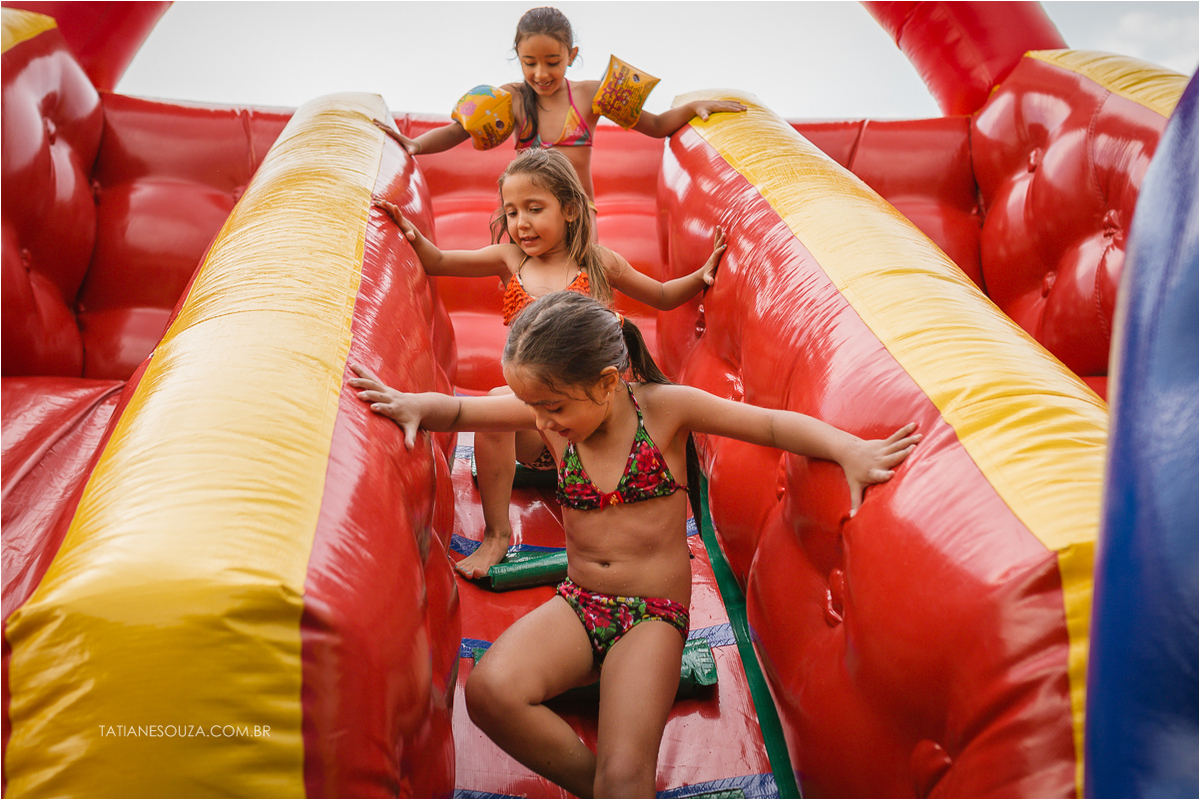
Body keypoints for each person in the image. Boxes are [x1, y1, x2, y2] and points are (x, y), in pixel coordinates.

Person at [348, 291, 920, 798]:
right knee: (490, 692)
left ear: (606, 382)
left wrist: (849, 450)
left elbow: (768, 425)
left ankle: (618, 787)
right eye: (534, 407)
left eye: (552, 408)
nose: (541, 423)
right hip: (581, 603)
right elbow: (462, 409)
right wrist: (414, 406)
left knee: (626, 775)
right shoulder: (558, 415)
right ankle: (604, 788)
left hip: (652, 616)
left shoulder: (664, 412)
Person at [375, 147, 726, 579]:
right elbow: (440, 262)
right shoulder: (511, 260)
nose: (521, 223)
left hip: (596, 423)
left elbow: (663, 295)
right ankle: (497, 534)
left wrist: (703, 275)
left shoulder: (599, 263)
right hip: (540, 430)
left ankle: (602, 522)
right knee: (496, 403)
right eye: (511, 212)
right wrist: (406, 230)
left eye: (535, 209)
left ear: (571, 210)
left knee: (515, 400)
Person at [373, 5, 746, 208]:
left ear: (572, 55)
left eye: (552, 62)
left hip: (578, 214)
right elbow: (458, 131)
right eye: (529, 62)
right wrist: (415, 144)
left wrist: (695, 106)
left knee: (584, 296)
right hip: (528, 217)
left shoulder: (591, 95)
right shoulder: (510, 99)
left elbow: (657, 125)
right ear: (518, 57)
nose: (541, 73)